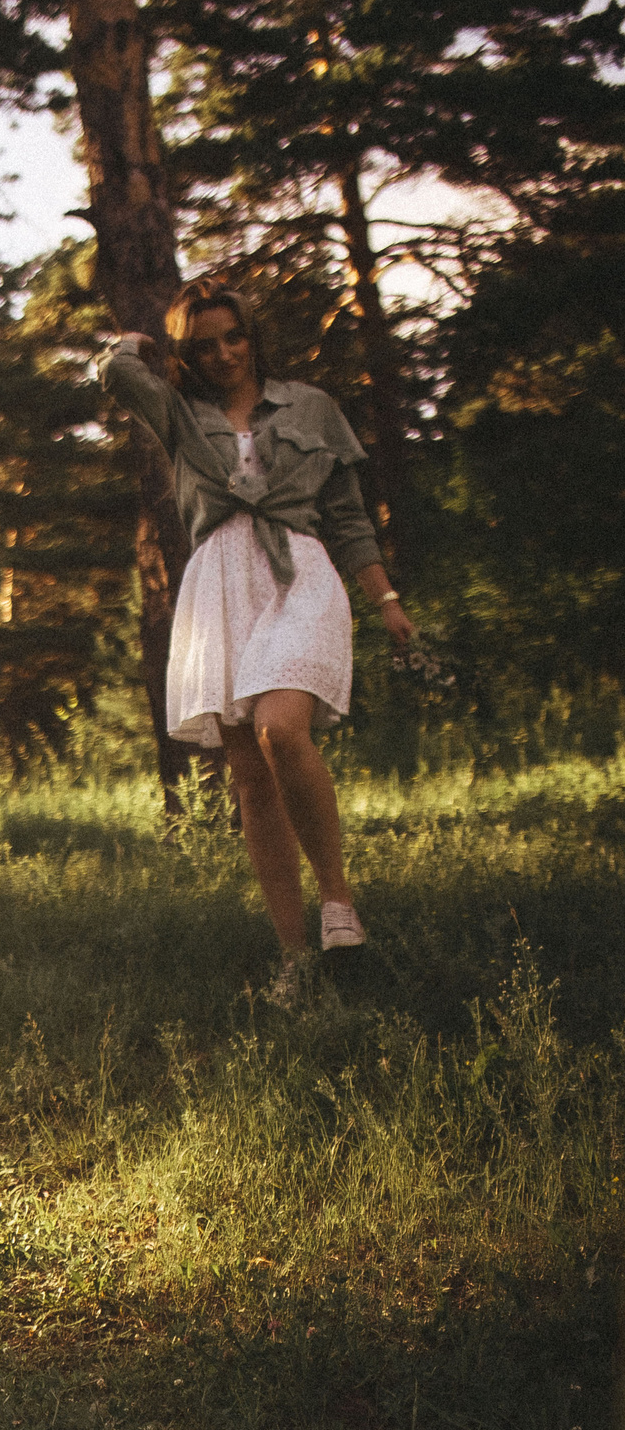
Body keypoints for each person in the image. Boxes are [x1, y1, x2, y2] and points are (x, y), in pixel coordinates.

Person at [101, 278, 419, 1001]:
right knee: (249, 776)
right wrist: (142, 344)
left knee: (281, 726)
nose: (222, 353)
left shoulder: (311, 406)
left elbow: (348, 520)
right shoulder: (180, 412)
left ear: (254, 336)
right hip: (219, 585)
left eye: (233, 337)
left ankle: (336, 899)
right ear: (189, 353)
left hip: (299, 571)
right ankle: (293, 958)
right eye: (204, 344)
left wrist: (387, 602)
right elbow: (117, 373)